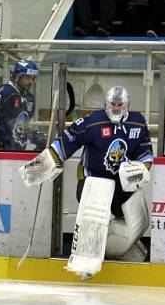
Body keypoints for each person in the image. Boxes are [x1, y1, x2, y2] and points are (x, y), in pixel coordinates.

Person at [20, 85, 153, 279]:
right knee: (95, 216)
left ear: (126, 104)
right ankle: (85, 262)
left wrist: (142, 168)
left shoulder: (138, 123)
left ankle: (123, 251)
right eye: (112, 104)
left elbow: (145, 152)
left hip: (122, 184)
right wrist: (49, 161)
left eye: (119, 104)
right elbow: (67, 141)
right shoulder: (92, 122)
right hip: (93, 181)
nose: (115, 108)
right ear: (106, 103)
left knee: (136, 219)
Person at [0, 59, 38, 151]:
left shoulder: (29, 98)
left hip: (19, 147)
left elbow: (23, 124)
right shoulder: (3, 93)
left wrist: (33, 136)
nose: (31, 81)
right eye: (27, 77)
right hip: (0, 149)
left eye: (32, 78)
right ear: (17, 77)